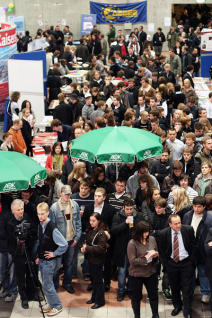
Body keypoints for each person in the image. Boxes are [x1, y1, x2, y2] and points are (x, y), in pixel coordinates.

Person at [159, 214, 196, 318]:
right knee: (174, 287)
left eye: (179, 222)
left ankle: (187, 310)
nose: (178, 225)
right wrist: (166, 263)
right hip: (172, 264)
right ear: (170, 224)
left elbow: (194, 245)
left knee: (187, 288)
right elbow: (162, 251)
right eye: (175, 224)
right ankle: (177, 306)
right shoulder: (163, 233)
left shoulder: (188, 230)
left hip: (186, 263)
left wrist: (192, 261)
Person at [36, 202, 68, 316]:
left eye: (43, 214)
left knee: (48, 285)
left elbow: (64, 245)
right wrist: (38, 256)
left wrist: (54, 254)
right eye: (38, 214)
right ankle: (51, 304)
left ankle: (57, 306)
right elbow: (40, 243)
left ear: (48, 213)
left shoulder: (52, 228)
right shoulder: (40, 225)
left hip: (50, 262)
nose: (40, 216)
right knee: (45, 284)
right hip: (42, 260)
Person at [49, 185, 81, 293]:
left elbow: (78, 223)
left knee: (69, 264)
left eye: (69, 193)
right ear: (61, 194)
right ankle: (55, 284)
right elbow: (52, 227)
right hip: (59, 243)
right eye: (65, 193)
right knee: (57, 265)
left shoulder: (75, 205)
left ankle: (67, 283)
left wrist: (77, 237)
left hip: (71, 240)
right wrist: (55, 242)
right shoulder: (54, 208)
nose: (67, 195)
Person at [5, 199, 37, 309]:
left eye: (22, 209)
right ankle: (24, 298)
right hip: (17, 254)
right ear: (13, 211)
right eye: (18, 210)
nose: (21, 211)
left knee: (30, 273)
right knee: (20, 277)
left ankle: (31, 294)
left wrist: (27, 235)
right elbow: (9, 238)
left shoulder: (27, 217)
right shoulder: (9, 222)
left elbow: (34, 231)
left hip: (28, 251)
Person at [111, 198, 143, 301]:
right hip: (122, 249)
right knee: (122, 271)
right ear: (123, 208)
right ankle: (121, 291)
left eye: (131, 209)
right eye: (127, 209)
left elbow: (143, 230)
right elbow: (114, 231)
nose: (129, 211)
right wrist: (125, 223)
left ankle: (130, 290)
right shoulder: (117, 216)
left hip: (135, 249)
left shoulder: (139, 216)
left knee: (132, 271)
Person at [183, 196, 212, 305]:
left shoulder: (209, 219)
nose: (196, 209)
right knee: (189, 272)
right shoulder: (187, 215)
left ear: (204, 207)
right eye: (194, 206)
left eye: (199, 207)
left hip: (202, 249)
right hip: (190, 248)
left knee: (203, 272)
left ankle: (205, 293)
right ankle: (189, 292)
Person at [127, 221, 159, 318]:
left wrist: (156, 255)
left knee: (153, 295)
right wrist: (145, 258)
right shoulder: (132, 243)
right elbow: (132, 261)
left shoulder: (152, 239)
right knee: (136, 298)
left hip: (151, 273)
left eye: (148, 232)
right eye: (144, 232)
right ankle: (137, 316)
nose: (146, 234)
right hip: (137, 275)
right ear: (138, 232)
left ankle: (155, 314)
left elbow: (156, 251)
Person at [81, 213, 108, 309]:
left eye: (93, 221)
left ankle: (100, 301)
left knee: (98, 282)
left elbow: (101, 248)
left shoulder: (101, 233)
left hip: (97, 261)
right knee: (94, 281)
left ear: (99, 221)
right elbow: (87, 242)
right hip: (91, 259)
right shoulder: (91, 230)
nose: (91, 222)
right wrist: (84, 248)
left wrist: (87, 248)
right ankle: (94, 297)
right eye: (90, 220)